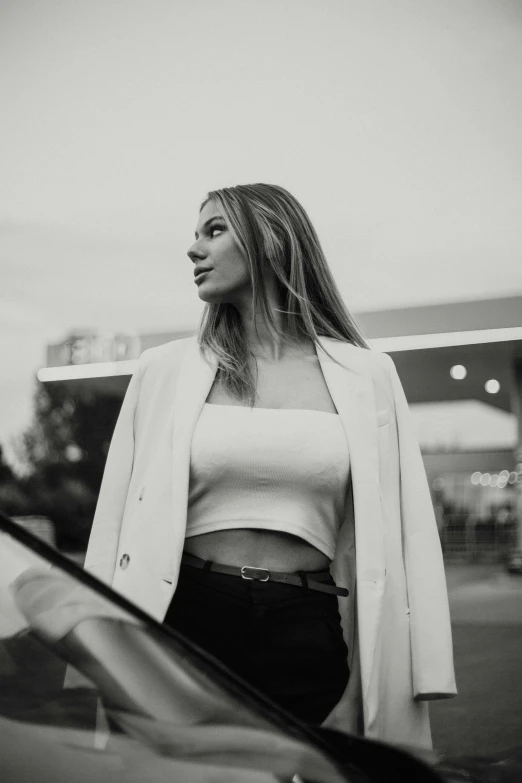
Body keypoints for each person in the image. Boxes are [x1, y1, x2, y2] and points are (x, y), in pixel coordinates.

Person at [84, 183, 456, 748]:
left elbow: (409, 533)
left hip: (306, 623)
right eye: (196, 233)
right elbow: (114, 520)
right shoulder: (163, 370)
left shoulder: (368, 375)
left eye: (215, 231)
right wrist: (91, 645)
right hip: (187, 616)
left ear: (271, 243)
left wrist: (370, 689)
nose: (193, 249)